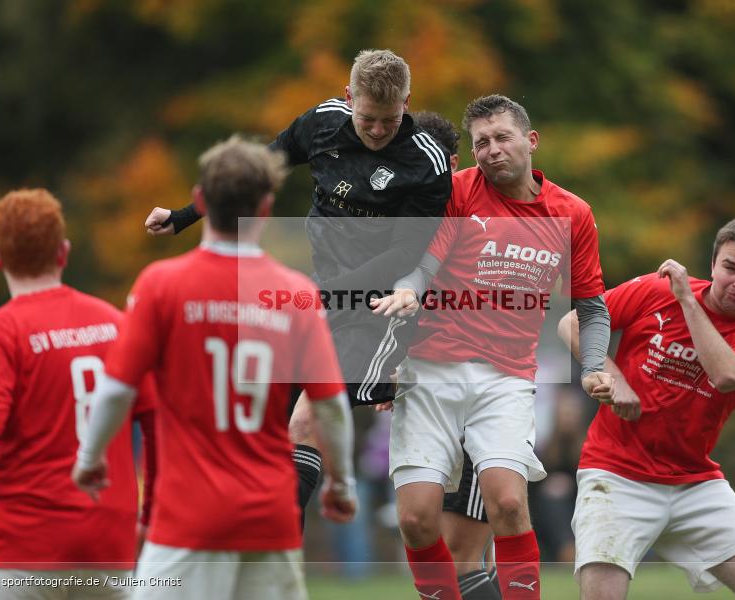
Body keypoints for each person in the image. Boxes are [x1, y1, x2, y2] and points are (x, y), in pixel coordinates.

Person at [143, 49, 452, 516]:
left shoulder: (426, 162)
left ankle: (276, 544)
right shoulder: (323, 123)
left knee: (305, 420)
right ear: (349, 98)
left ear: (406, 103)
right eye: (367, 119)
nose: (376, 131)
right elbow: (255, 173)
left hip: (376, 311)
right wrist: (184, 216)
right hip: (319, 295)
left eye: (389, 120)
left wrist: (328, 296)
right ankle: (245, 530)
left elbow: (404, 253)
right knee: (264, 422)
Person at [72, 136, 357, 600]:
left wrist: (90, 458)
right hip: (269, 518)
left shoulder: (162, 284)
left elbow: (116, 389)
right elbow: (329, 407)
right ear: (265, 208)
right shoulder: (297, 293)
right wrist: (341, 483)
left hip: (188, 517)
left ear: (200, 200)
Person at [371, 94, 614, 600]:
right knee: (415, 520)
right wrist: (409, 291)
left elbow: (591, 308)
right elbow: (426, 262)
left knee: (507, 503)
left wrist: (593, 365)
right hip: (429, 373)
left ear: (531, 140)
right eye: (481, 142)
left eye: (502, 137)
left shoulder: (572, 213)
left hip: (505, 379)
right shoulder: (457, 190)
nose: (492, 150)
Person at [558, 216, 735, 600]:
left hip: (695, 482)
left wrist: (687, 300)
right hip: (616, 474)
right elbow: (572, 323)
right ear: (713, 264)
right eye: (730, 267)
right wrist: (614, 377)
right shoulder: (655, 290)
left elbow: (726, 375)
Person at [0, 189, 157, 599]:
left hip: (23, 544)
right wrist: (149, 515)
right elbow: (160, 425)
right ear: (63, 252)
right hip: (108, 544)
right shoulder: (117, 323)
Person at [411, 110, 502, 600]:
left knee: (459, 557)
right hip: (428, 397)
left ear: (449, 163)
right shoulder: (409, 220)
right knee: (431, 546)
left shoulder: (469, 211)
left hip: (476, 393)